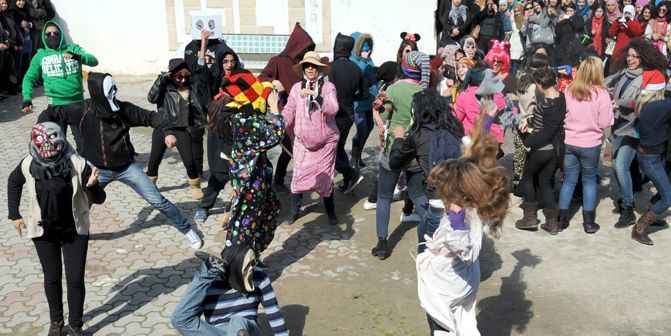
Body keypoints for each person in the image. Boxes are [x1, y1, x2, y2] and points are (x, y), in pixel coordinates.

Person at [37, 72, 204, 249]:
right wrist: (39, 132)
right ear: (98, 95)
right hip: (96, 170)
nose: (114, 97)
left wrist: (168, 132)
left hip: (127, 168)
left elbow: (154, 118)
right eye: (110, 93)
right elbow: (50, 112)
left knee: (157, 200)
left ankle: (187, 230)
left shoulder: (125, 110)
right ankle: (63, 233)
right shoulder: (80, 110)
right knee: (80, 202)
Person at [7, 122, 106, 336]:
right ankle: (56, 322)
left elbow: (100, 198)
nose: (49, 155)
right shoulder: (28, 164)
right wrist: (14, 214)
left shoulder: (77, 163)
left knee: (74, 279)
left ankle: (76, 325)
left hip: (74, 231)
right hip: (44, 233)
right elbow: (13, 182)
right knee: (51, 278)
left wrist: (92, 186)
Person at [417, 155, 509, 335]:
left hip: (449, 287)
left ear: (452, 189)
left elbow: (469, 253)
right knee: (459, 323)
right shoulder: (469, 207)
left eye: (440, 187)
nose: (437, 191)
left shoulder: (467, 216)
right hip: (457, 281)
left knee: (442, 326)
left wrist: (458, 229)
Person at [215, 69, 285, 253]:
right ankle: (236, 265)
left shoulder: (243, 116)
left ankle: (250, 257)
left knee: (266, 213)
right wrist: (275, 107)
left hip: (256, 180)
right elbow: (276, 134)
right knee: (243, 228)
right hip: (250, 185)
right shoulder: (245, 121)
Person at [371, 51, 431, 260]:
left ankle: (382, 244)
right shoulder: (425, 92)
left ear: (403, 67)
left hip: (393, 150)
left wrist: (376, 111)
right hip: (416, 152)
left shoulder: (393, 89)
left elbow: (384, 115)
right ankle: (431, 238)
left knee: (384, 196)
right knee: (418, 195)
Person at [388, 88, 465, 252]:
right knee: (455, 250)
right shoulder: (456, 128)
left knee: (429, 254)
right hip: (462, 201)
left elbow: (395, 163)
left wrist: (399, 138)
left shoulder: (419, 134)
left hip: (438, 204)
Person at [606, 37, 666, 223]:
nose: (630, 59)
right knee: (616, 166)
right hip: (618, 126)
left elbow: (643, 103)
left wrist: (619, 102)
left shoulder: (647, 77)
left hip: (634, 128)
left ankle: (628, 208)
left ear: (643, 58)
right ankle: (626, 199)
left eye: (635, 57)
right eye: (629, 56)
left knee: (620, 166)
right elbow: (608, 82)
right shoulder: (625, 73)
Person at [171, 245, 288, 335]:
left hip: (247, 329)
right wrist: (205, 279)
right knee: (178, 319)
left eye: (254, 263)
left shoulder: (259, 277)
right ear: (237, 267)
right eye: (249, 265)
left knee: (237, 322)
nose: (253, 269)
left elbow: (274, 313)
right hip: (217, 332)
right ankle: (207, 271)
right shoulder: (212, 283)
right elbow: (186, 318)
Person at [21, 21, 98, 154]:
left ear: (61, 35)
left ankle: (85, 171)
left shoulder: (73, 49)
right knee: (57, 147)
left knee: (85, 145)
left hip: (78, 105)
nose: (52, 36)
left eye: (55, 33)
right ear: (44, 37)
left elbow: (94, 61)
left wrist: (79, 57)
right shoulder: (40, 56)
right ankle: (65, 172)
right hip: (55, 107)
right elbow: (29, 77)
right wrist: (27, 98)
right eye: (48, 34)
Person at [280, 51, 339, 225]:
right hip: (302, 144)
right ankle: (294, 211)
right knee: (298, 177)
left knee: (326, 179)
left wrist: (316, 96)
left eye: (314, 65)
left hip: (326, 143)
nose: (311, 68)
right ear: (303, 68)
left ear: (319, 68)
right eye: (307, 65)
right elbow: (290, 109)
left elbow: (333, 109)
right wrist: (280, 122)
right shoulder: (296, 88)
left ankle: (331, 211)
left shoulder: (329, 87)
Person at [559, 57, 614, 233]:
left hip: (569, 140)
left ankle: (561, 219)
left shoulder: (569, 89)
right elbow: (605, 122)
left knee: (568, 180)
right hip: (590, 143)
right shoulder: (602, 93)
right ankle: (589, 222)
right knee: (589, 181)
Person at [258, 23, 315, 192]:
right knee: (289, 147)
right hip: (284, 111)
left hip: (303, 111)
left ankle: (282, 178)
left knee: (296, 147)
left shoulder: (303, 64)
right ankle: (276, 180)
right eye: (304, 48)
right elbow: (261, 79)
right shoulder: (278, 61)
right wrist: (274, 82)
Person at [193, 41, 242, 223]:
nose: (230, 65)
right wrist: (203, 48)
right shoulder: (214, 81)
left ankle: (238, 208)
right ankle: (204, 207)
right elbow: (201, 73)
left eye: (232, 61)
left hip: (237, 130)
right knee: (220, 173)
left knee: (241, 171)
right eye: (226, 61)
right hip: (218, 131)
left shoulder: (241, 79)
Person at [146, 58, 207, 200]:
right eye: (179, 77)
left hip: (181, 128)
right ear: (172, 75)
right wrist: (160, 79)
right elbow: (151, 98)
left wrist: (200, 122)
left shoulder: (190, 87)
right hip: (162, 127)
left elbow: (196, 106)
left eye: (186, 76)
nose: (183, 80)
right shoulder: (164, 86)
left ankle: (195, 186)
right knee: (154, 160)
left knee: (190, 161)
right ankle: (150, 186)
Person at [515, 69, 566, 233]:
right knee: (545, 182)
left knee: (528, 177)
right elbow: (548, 122)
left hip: (541, 149)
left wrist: (529, 142)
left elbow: (547, 130)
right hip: (555, 150)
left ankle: (529, 218)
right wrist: (529, 122)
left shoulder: (546, 104)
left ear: (540, 85)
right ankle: (552, 223)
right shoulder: (561, 98)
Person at [632, 70, 671, 245]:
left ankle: (653, 216)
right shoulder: (659, 107)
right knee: (668, 197)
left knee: (664, 190)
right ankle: (640, 228)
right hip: (651, 158)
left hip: (651, 154)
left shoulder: (645, 104)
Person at [329, 33, 366, 194]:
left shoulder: (331, 68)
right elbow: (364, 94)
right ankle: (348, 180)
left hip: (334, 115)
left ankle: (352, 174)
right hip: (349, 114)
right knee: (339, 148)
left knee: (329, 151)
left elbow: (327, 92)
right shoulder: (356, 69)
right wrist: (351, 98)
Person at [349, 32, 377, 169]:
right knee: (362, 128)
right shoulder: (352, 60)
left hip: (370, 100)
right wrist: (364, 61)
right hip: (358, 102)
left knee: (370, 127)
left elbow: (373, 76)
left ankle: (358, 155)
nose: (367, 50)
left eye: (368, 47)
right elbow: (356, 75)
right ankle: (353, 159)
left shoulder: (369, 59)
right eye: (363, 47)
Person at [608, 5, 645, 72]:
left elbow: (638, 32)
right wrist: (617, 22)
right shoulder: (620, 22)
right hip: (618, 52)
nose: (627, 15)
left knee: (625, 71)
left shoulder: (636, 23)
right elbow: (611, 33)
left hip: (629, 52)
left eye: (629, 13)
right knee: (613, 72)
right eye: (626, 13)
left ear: (633, 13)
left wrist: (629, 22)